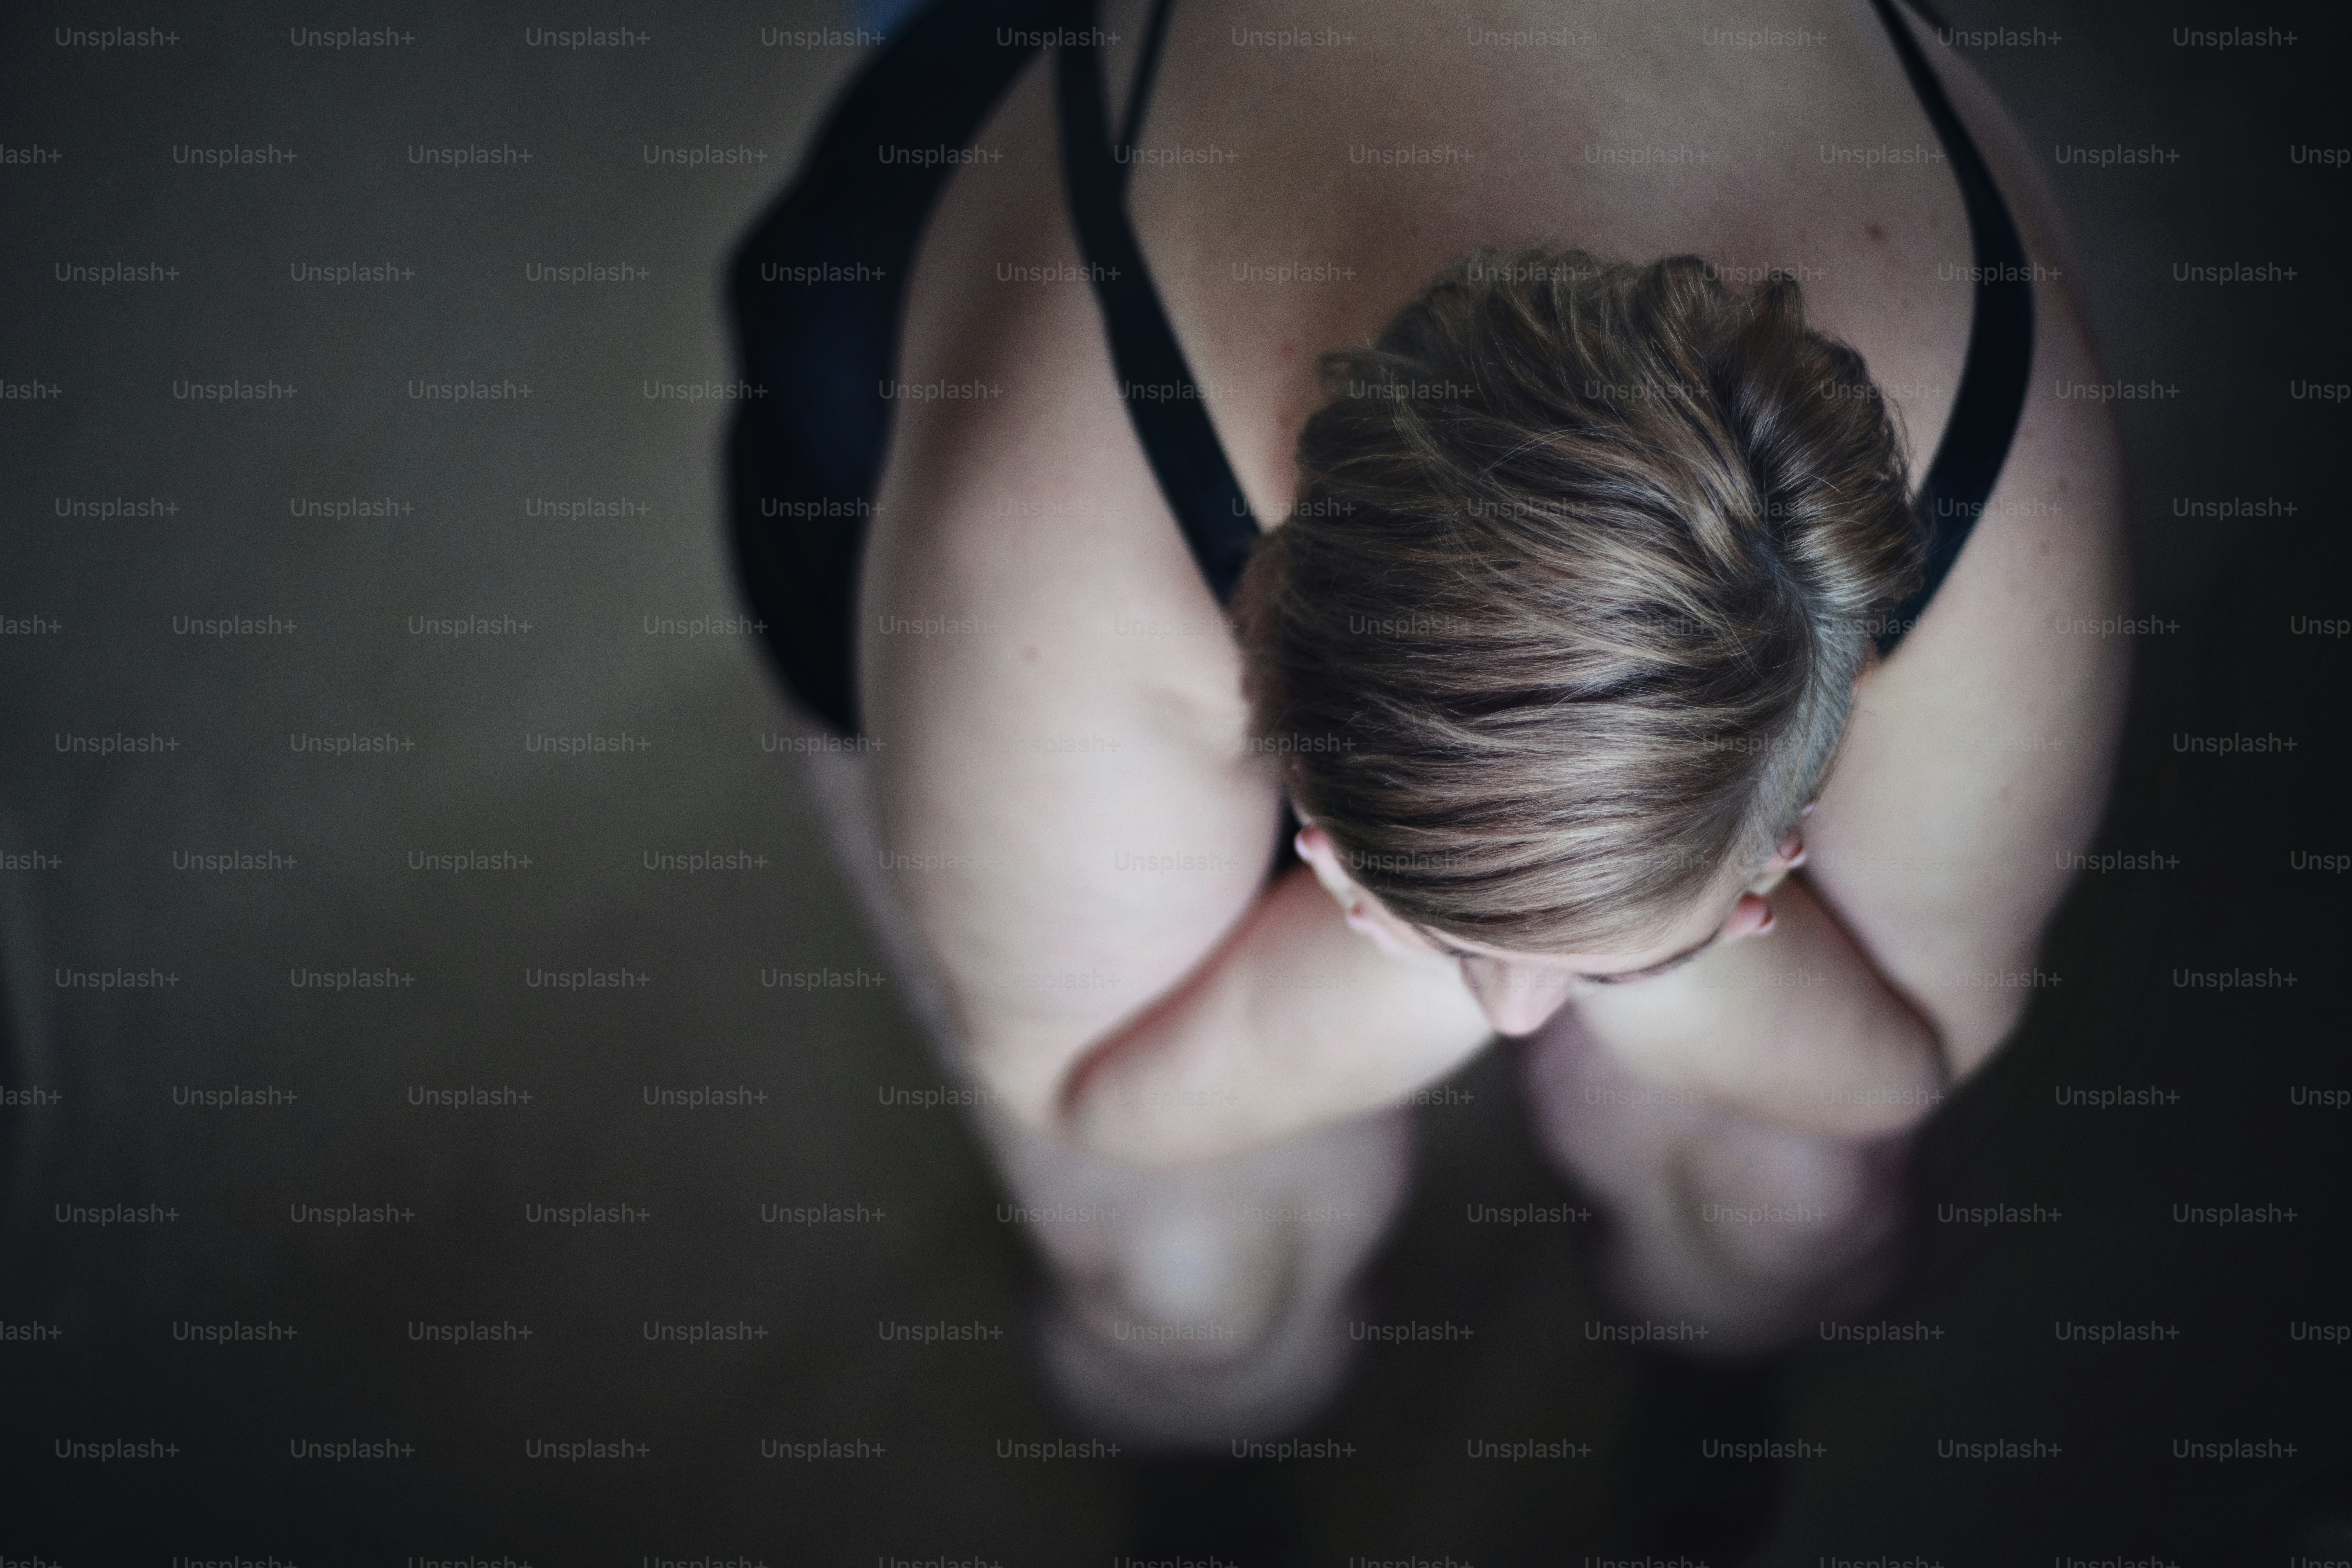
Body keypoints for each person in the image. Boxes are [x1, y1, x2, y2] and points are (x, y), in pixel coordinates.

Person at [728, 0, 2129, 1442]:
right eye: (1470, 961)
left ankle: (1713, 1409)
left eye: (1724, 909)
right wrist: (1610, 946)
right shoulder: (1048, 534)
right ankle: (1210, 1472)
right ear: (1306, 814)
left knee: (1788, 1214)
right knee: (1191, 1287)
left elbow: (1922, 1032)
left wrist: (1600, 935)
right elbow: (1079, 1079)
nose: (1512, 1017)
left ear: (1781, 849)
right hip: (1039, 318)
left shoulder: (2003, 500)